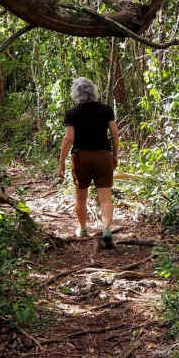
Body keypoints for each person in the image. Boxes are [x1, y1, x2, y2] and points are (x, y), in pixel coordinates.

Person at [57, 77, 119, 247]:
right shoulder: (106, 110)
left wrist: (61, 162)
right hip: (103, 155)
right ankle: (106, 230)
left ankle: (82, 229)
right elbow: (114, 134)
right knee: (105, 198)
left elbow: (69, 138)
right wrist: (115, 155)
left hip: (81, 157)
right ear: (93, 91)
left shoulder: (72, 113)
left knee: (81, 196)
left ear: (75, 93)